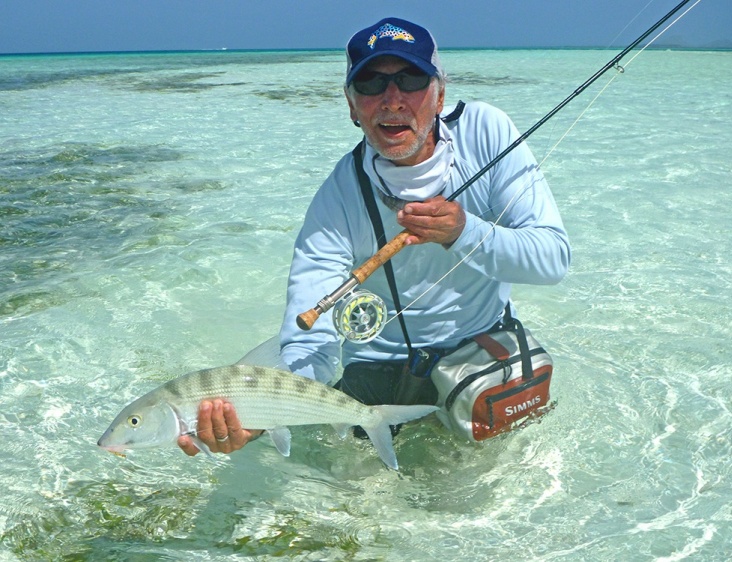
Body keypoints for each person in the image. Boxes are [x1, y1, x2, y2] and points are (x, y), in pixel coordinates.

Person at [179, 17, 570, 456]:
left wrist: (464, 231)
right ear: (351, 105)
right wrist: (265, 411)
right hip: (379, 366)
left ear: (440, 93)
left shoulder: (486, 131)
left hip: (479, 348)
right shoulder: (338, 196)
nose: (392, 99)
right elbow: (310, 329)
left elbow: (552, 258)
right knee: (357, 500)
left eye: (411, 78)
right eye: (370, 83)